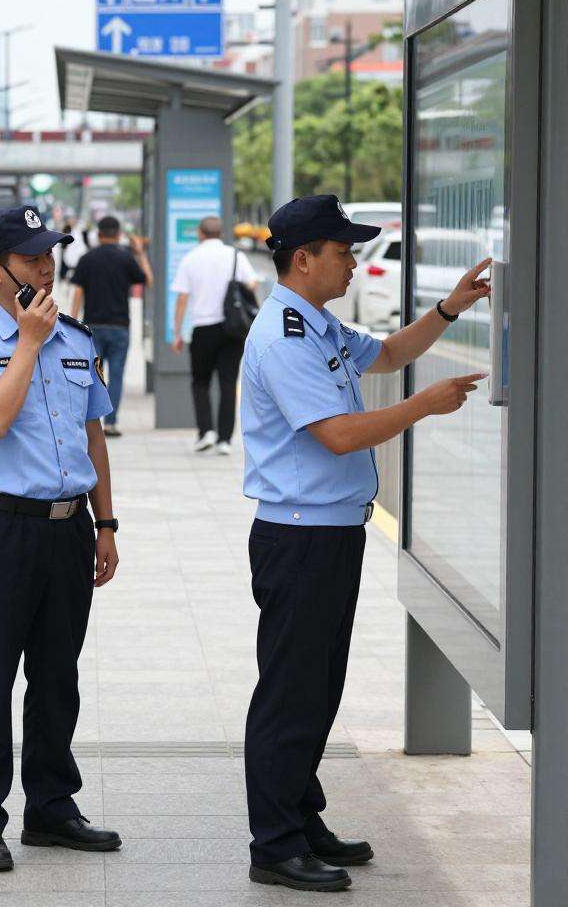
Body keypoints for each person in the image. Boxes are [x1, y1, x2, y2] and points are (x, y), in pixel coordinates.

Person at [240, 194, 490, 893]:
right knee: (291, 693)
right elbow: (337, 434)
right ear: (304, 258)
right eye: (344, 252)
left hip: (329, 534)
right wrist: (422, 406)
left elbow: (385, 353)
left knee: (317, 689)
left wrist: (449, 310)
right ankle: (276, 844)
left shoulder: (317, 325)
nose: (353, 263)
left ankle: (301, 815)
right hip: (298, 539)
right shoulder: (284, 337)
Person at [0, 205, 123, 873]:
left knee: (57, 676)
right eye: (30, 259)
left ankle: (52, 807)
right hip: (0, 529)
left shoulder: (76, 339)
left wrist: (105, 523)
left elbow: (93, 433)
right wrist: (28, 344)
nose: (46, 267)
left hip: (68, 527)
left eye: (50, 255)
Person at [171, 216, 259, 454]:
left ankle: (205, 432)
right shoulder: (235, 256)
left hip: (203, 328)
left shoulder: (190, 258)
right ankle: (225, 440)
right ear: (221, 233)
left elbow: (182, 299)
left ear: (200, 233)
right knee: (228, 382)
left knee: (201, 382)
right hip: (232, 329)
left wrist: (178, 332)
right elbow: (252, 284)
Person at [70, 215, 153, 437]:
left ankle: (90, 422)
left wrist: (72, 322)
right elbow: (148, 280)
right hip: (119, 326)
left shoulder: (87, 258)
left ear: (98, 234)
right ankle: (111, 423)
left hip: (93, 325)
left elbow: (78, 291)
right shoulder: (126, 258)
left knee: (92, 376)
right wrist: (140, 252)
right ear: (118, 234)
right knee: (116, 375)